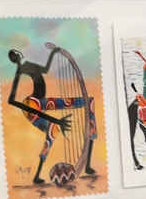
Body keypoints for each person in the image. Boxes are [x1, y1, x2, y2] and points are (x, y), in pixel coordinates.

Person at [7, 47, 96, 184]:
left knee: (88, 101)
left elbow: (46, 69)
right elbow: (11, 101)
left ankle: (87, 164)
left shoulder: (30, 65)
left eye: (16, 55)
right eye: (14, 57)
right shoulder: (20, 71)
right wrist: (54, 120)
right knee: (52, 129)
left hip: (41, 102)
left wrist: (54, 53)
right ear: (15, 58)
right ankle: (37, 176)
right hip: (31, 106)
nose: (17, 57)